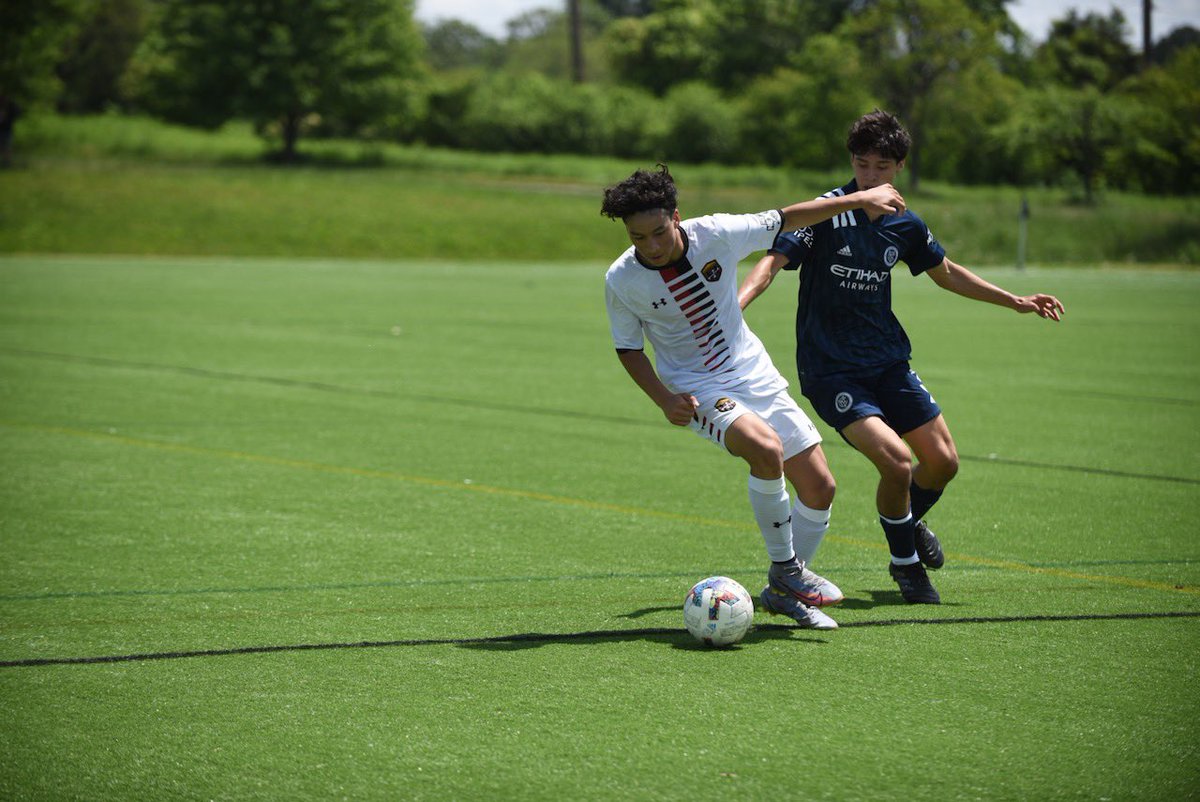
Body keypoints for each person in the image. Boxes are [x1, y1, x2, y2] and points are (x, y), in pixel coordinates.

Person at [739, 110, 1065, 605]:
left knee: (943, 462)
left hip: (888, 362)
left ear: (900, 168)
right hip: (832, 369)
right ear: (852, 161)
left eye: (882, 167)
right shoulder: (824, 213)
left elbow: (948, 272)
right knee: (896, 463)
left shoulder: (905, 223)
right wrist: (735, 309)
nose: (871, 176)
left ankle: (906, 523)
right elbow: (770, 264)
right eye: (863, 164)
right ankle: (905, 566)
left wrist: (1015, 300)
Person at [601, 164, 906, 629]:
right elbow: (628, 348)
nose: (652, 246)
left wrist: (858, 200)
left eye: (659, 232)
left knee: (821, 486)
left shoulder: (717, 233)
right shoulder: (621, 280)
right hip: (698, 389)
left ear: (676, 218)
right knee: (765, 448)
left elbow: (788, 217)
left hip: (753, 373)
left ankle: (783, 591)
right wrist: (665, 399)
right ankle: (787, 571)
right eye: (639, 238)